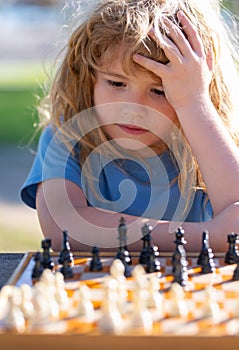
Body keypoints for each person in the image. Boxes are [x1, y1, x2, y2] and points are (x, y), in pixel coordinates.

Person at [20, 0, 239, 252]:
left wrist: (193, 103)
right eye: (116, 83)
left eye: (160, 90)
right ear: (88, 78)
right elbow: (63, 227)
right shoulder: (68, 137)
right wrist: (207, 236)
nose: (134, 108)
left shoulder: (212, 143)